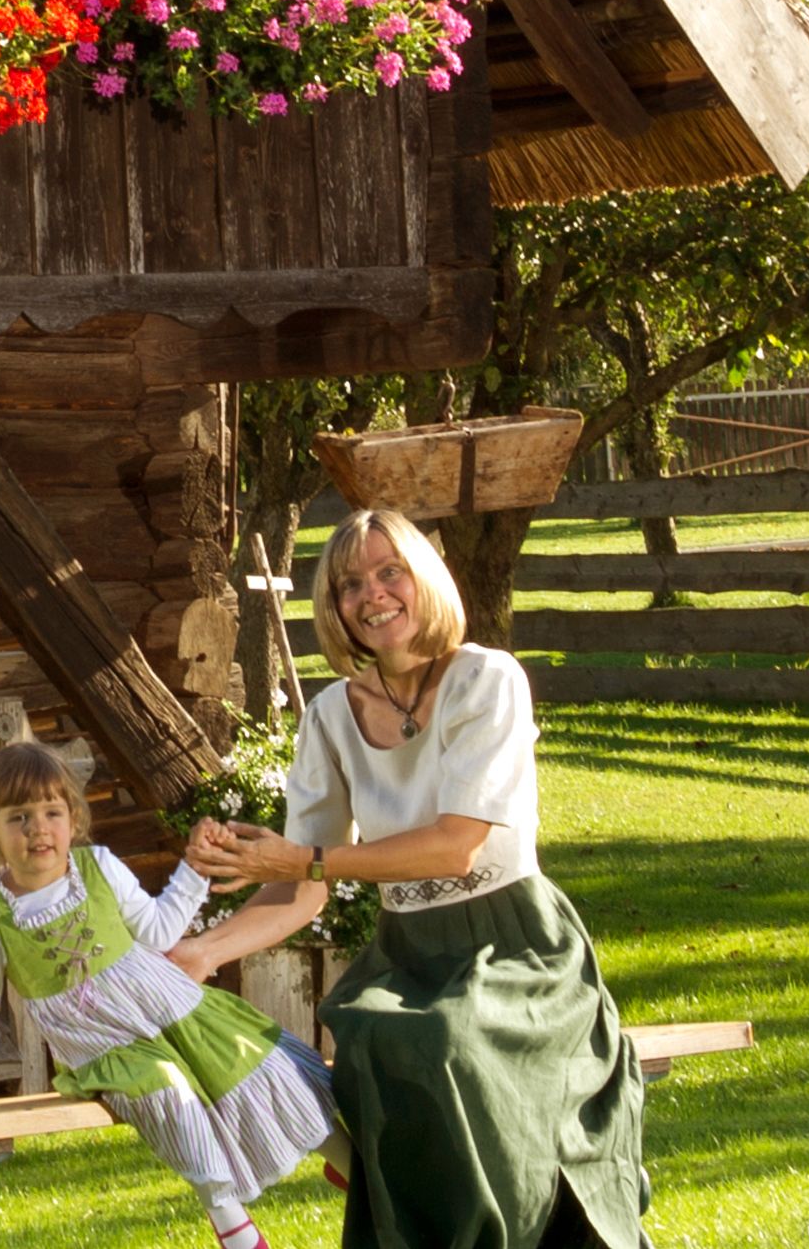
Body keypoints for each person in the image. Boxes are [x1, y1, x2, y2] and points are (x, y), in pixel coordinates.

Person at [183, 511, 646, 1249]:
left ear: (422, 579)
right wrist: (201, 954)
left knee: (445, 1043)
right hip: (408, 954)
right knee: (368, 1036)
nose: (372, 595)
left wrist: (303, 859)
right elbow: (301, 888)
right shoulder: (330, 717)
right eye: (349, 585)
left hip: (518, 946)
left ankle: (518, 1233)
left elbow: (456, 847)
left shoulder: (486, 680)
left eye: (388, 572)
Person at [0, 738, 338, 1249]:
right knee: (169, 1094)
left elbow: (157, 930)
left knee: (263, 1065)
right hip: (107, 1047)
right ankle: (235, 1229)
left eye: (51, 812)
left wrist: (195, 870)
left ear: (73, 819)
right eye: (18, 817)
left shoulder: (99, 868)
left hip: (168, 1009)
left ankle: (358, 1168)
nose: (38, 829)